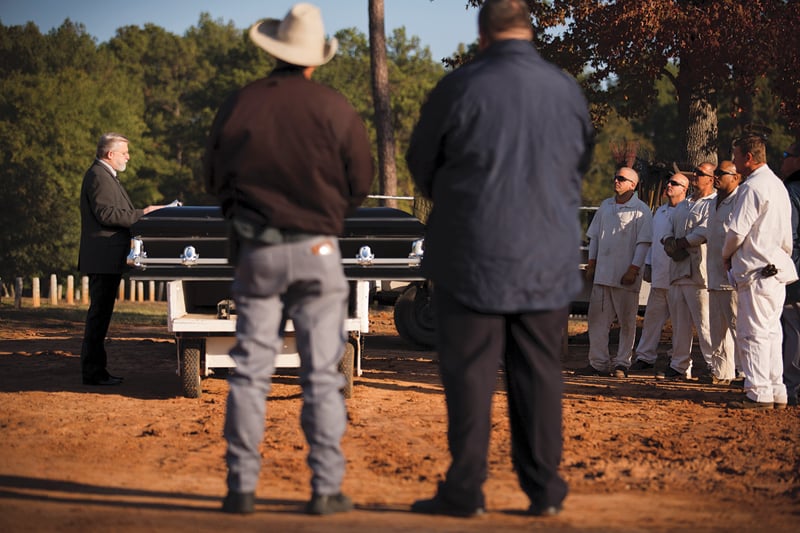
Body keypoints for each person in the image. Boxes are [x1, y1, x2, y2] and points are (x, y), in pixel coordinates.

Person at [405, 0, 593, 518]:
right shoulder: (566, 90)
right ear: (529, 33)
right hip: (545, 258)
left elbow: (422, 163)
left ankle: (465, 490)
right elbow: (581, 160)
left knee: (469, 375)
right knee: (539, 374)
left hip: (472, 257)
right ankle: (545, 491)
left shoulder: (459, 87)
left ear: (482, 36)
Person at [203, 3, 373, 515]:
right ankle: (324, 488)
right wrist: (327, 212)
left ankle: (241, 487)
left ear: (274, 49)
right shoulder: (335, 108)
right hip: (318, 250)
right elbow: (360, 184)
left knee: (251, 369)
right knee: (321, 374)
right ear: (314, 59)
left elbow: (213, 178)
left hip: (257, 250)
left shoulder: (241, 104)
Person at [78, 133, 167, 386]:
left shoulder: (104, 175)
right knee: (99, 316)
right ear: (110, 154)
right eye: (124, 152)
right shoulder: (98, 176)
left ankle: (96, 370)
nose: (128, 156)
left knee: (101, 315)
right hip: (103, 257)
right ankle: (93, 373)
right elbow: (106, 214)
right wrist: (143, 214)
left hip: (106, 257)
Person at [723, 134, 797, 409]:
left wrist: (726, 255)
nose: (734, 162)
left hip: (756, 269)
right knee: (771, 332)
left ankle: (758, 391)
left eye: (736, 156)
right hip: (775, 266)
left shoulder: (753, 187)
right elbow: (786, 235)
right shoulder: (777, 185)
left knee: (752, 332)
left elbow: (737, 231)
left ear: (749, 158)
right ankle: (776, 389)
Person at [582, 167, 653, 378]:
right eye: (616, 177)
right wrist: (592, 263)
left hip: (625, 277)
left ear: (633, 184)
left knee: (627, 322)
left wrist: (633, 269)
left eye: (622, 178)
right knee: (597, 321)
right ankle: (598, 363)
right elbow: (594, 236)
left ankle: (622, 362)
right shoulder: (606, 205)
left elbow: (643, 243)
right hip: (603, 275)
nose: (616, 181)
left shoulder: (641, 210)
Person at [659, 163, 716, 380]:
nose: (696, 177)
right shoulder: (684, 205)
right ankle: (679, 364)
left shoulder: (713, 203)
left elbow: (703, 231)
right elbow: (668, 227)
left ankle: (714, 365)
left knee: (705, 323)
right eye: (695, 173)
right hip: (678, 270)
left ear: (711, 179)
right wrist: (668, 242)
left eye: (701, 174)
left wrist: (681, 243)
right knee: (679, 323)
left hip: (699, 272)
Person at [629, 173, 688, 373]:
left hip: (679, 277)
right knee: (652, 320)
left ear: (684, 189)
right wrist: (647, 264)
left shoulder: (687, 211)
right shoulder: (660, 212)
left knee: (680, 324)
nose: (669, 185)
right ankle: (645, 356)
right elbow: (653, 242)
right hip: (659, 276)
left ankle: (678, 362)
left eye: (675, 183)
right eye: (669, 182)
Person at [705, 161, 741, 385]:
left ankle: (745, 372)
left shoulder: (739, 201)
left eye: (722, 173)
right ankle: (721, 372)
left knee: (738, 327)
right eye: (715, 173)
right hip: (713, 274)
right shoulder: (711, 203)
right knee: (717, 330)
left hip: (732, 276)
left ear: (736, 177)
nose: (716, 176)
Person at [779, 140, 800, 406]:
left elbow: (789, 237)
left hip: (797, 273)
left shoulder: (792, 191)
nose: (782, 159)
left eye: (786, 154)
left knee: (793, 328)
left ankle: (793, 386)